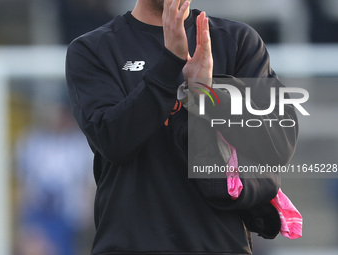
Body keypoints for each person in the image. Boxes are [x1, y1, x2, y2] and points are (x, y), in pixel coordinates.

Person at [65, 0, 298, 254]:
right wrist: (170, 64)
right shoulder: (94, 49)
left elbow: (277, 145)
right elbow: (114, 141)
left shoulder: (237, 41)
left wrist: (207, 95)